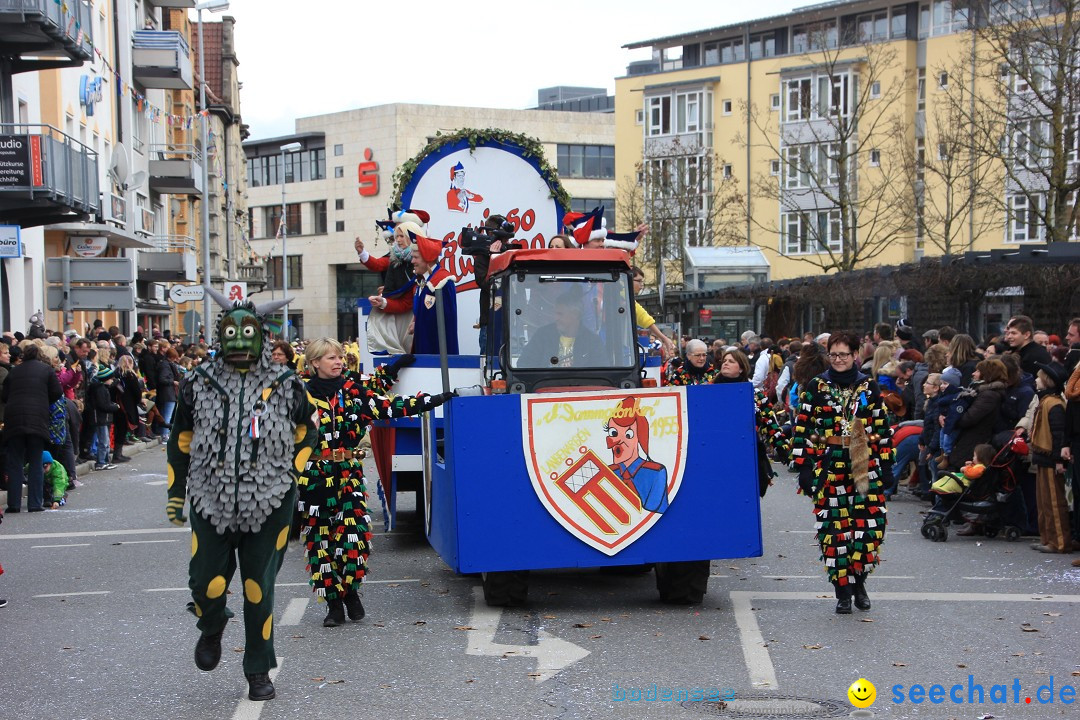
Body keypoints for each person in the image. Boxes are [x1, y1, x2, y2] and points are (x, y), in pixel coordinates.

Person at [166, 292, 317, 702]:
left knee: (258, 586)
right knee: (206, 583)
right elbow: (180, 439)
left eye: (246, 332)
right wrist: (176, 493)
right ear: (220, 335)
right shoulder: (198, 381)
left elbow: (308, 431)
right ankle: (212, 624)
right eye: (230, 332)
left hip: (269, 501)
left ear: (261, 337)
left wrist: (292, 474)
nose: (237, 340)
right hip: (209, 498)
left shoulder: (286, 384)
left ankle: (258, 669)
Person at [298, 340, 451, 626]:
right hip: (313, 475)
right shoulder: (299, 396)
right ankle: (333, 604)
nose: (339, 362)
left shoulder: (354, 391)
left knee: (354, 538)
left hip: (349, 474)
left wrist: (433, 400)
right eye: (332, 357)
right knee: (320, 542)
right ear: (315, 362)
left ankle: (351, 592)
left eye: (341, 357)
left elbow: (389, 406)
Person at [790, 331, 893, 614]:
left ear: (855, 355)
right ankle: (843, 592)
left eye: (843, 355)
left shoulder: (868, 386)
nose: (837, 359)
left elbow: (881, 427)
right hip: (830, 461)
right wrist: (805, 467)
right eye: (833, 354)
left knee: (868, 528)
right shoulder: (816, 385)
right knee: (835, 531)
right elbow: (804, 428)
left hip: (864, 460)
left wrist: (886, 466)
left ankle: (859, 582)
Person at [713, 348, 790, 496]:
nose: (726, 364)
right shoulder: (708, 390)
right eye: (724, 361)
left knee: (745, 495)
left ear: (741, 368)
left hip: (746, 451)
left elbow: (770, 422)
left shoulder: (754, 393)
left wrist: (781, 447)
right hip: (718, 451)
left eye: (731, 361)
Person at [3, 344, 63, 513]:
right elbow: (57, 392)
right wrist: (43, 401)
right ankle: (35, 503)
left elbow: (5, 396)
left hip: (14, 420)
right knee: (36, 461)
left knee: (15, 461)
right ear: (39, 355)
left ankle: (14, 504)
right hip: (37, 419)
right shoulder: (46, 370)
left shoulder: (14, 371)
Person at [380, 231, 459, 355]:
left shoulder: (443, 281)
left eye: (416, 257)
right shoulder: (420, 281)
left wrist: (419, 325)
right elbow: (408, 305)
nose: (412, 261)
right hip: (423, 349)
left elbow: (446, 321)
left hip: (438, 354)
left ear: (428, 258)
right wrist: (383, 302)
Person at [1029, 362, 1071, 554]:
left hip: (1050, 459)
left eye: (1039, 376)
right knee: (1044, 502)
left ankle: (1060, 541)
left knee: (1054, 503)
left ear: (1046, 380)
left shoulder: (1054, 404)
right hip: (1042, 458)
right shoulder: (1045, 401)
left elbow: (1058, 434)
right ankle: (1047, 538)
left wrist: (1058, 460)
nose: (1036, 380)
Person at [604, 396, 669, 513]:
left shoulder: (656, 472)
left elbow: (647, 513)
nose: (618, 441)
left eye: (628, 435)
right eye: (613, 433)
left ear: (639, 438)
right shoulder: (609, 473)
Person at [947, 359, 1008, 472]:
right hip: (970, 438)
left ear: (987, 374)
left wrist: (952, 419)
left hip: (973, 439)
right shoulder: (981, 391)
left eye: (978, 371)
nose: (973, 373)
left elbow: (969, 418)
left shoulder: (989, 395)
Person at [517, 290, 605, 368]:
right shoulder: (542, 336)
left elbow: (601, 371)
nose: (556, 318)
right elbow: (524, 364)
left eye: (560, 314)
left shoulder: (592, 342)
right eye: (555, 313)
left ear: (575, 314)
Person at [631, 267, 677, 360]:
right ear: (628, 279)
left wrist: (664, 338)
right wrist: (664, 338)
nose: (641, 285)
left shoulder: (627, 298)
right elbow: (645, 319)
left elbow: (645, 319)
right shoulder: (625, 298)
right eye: (639, 281)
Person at [88, 365, 120, 472]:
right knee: (103, 441)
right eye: (111, 379)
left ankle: (105, 461)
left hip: (104, 418)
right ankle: (101, 462)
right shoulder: (100, 389)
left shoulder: (103, 388)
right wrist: (114, 407)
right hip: (101, 418)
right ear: (105, 379)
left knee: (105, 441)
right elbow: (103, 405)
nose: (112, 381)